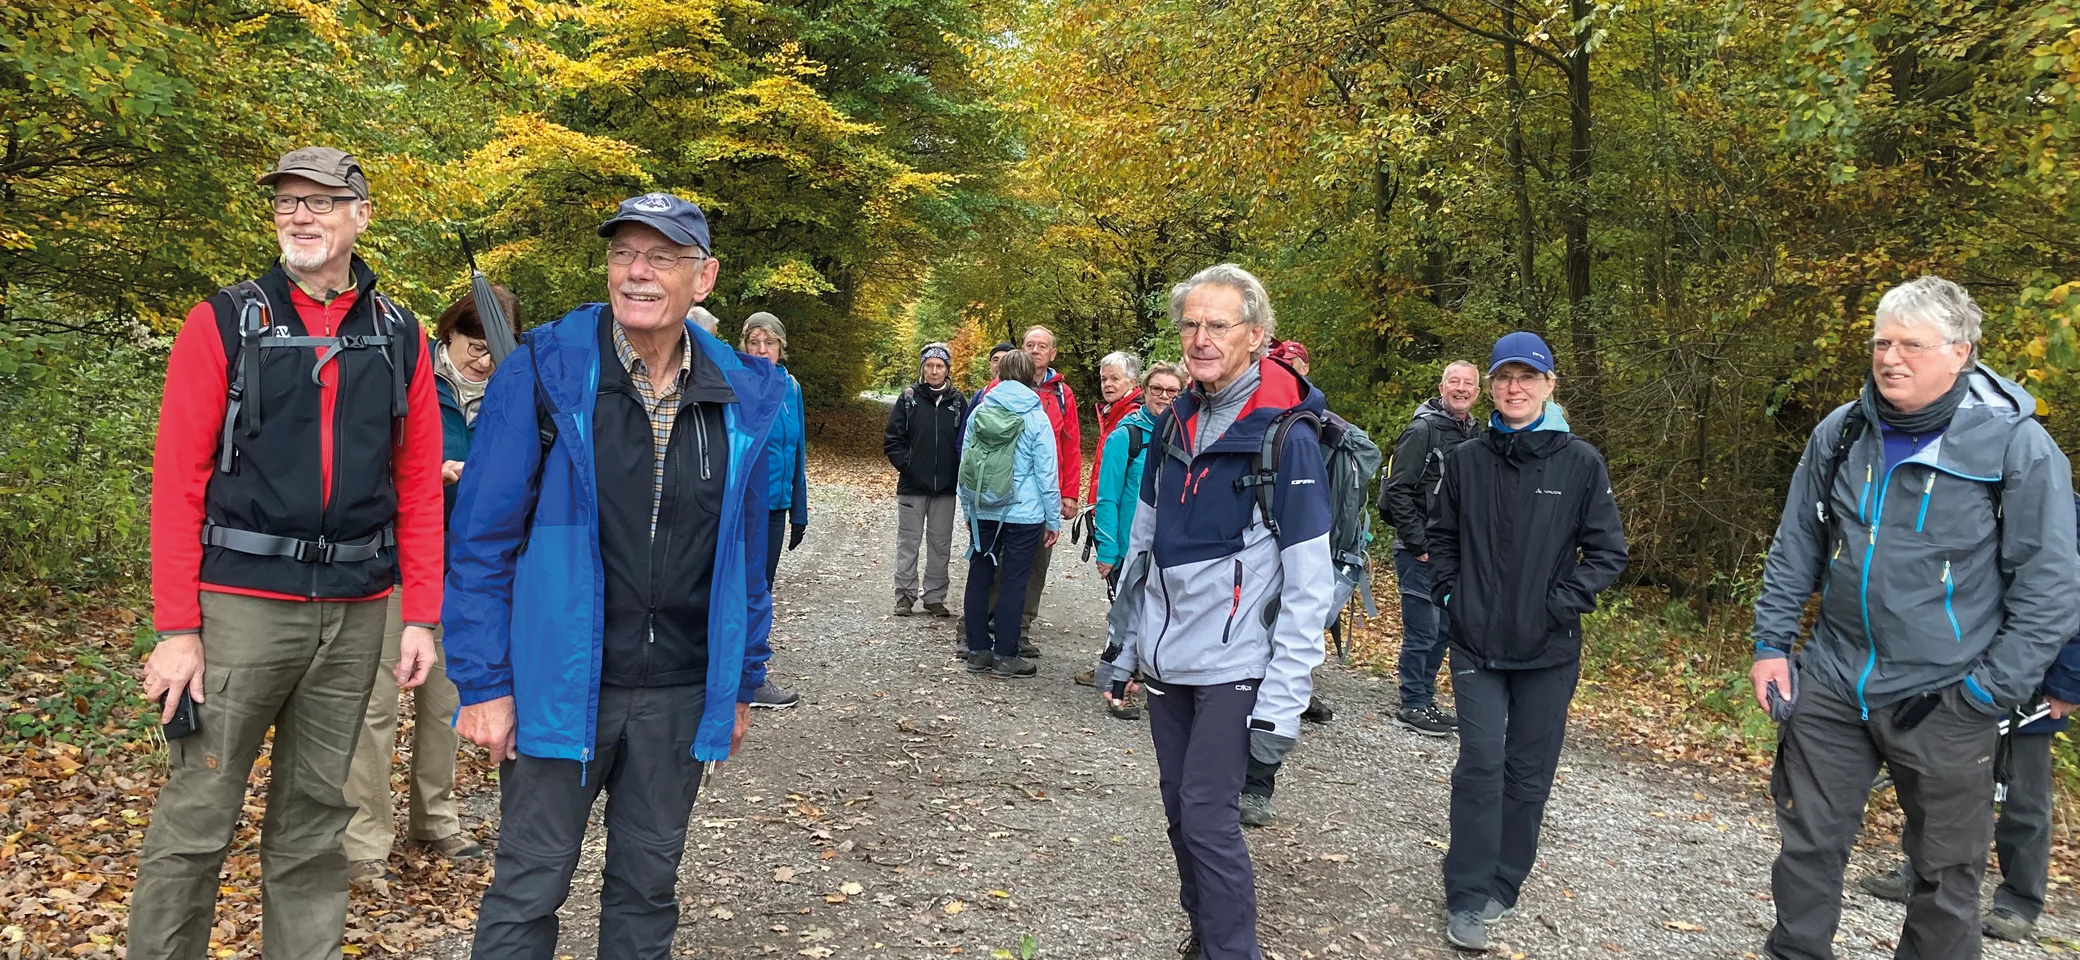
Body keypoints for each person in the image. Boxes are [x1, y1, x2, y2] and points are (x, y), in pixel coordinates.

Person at [443, 192, 786, 959]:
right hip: (559, 685)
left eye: (660, 257)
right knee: (530, 884)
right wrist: (484, 683)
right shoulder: (546, 371)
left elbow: (746, 561)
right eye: (623, 255)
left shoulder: (744, 395)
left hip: (678, 691)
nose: (637, 273)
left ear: (703, 279)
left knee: (647, 888)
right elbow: (481, 541)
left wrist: (741, 681)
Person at [133, 146, 444, 959]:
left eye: (320, 201)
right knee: (196, 822)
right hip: (238, 609)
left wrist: (421, 615)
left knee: (315, 827)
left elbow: (417, 484)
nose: (299, 216)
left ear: (360, 215)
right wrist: (177, 628)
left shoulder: (400, 335)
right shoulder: (226, 320)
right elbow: (178, 480)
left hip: (356, 611)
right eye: (286, 202)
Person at [1750, 276, 2079, 960]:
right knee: (1807, 846)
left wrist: (1989, 692)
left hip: (1947, 695)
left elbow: (2051, 588)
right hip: (1837, 680)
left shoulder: (2018, 449)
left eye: (1911, 345)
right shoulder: (1841, 433)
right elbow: (1798, 544)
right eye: (1881, 342)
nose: (1890, 358)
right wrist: (1772, 642)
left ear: (1961, 353)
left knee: (1946, 876)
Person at [1103, 263, 1336, 960]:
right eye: (1190, 324)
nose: (1201, 339)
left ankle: (1234, 950)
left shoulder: (1285, 437)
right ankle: (1206, 937)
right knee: (1181, 815)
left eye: (1218, 325)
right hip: (1169, 660)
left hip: (1239, 665)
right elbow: (1142, 548)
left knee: (1207, 817)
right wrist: (1123, 646)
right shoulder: (1172, 421)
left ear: (1255, 337)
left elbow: (1308, 583)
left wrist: (1284, 700)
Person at [1429, 331, 1628, 952]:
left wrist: (1558, 605)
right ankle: (1465, 892)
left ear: (1548, 386)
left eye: (1527, 377)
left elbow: (1607, 552)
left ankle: (1505, 881)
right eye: (1504, 376)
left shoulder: (1580, 463)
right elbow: (1439, 538)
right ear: (1491, 385)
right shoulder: (1466, 461)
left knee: (1527, 770)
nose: (1514, 387)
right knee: (1482, 764)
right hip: (1476, 644)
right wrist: (1451, 596)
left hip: (1548, 648)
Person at [343, 286, 520, 889]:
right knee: (377, 707)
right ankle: (364, 841)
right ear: (447, 337)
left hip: (467, 576)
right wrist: (429, 475)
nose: (481, 360)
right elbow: (363, 466)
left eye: (492, 349)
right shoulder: (411, 382)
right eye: (472, 346)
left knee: (447, 702)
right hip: (395, 566)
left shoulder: (510, 398)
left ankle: (435, 819)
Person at [1857, 564, 2080, 942]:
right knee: (1939, 785)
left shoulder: (2063, 521)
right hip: (1958, 679)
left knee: (2021, 799)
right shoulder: (1972, 508)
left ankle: (2019, 901)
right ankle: (1922, 871)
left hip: (2030, 685)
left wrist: (2068, 683)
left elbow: (2070, 603)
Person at [1378, 360, 1482, 737]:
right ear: (1441, 388)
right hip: (1418, 549)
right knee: (1422, 630)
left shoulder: (1476, 434)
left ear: (1477, 392)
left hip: (1454, 553)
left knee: (1442, 631)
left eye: (1468, 383)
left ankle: (1426, 699)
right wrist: (1420, 542)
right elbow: (1398, 490)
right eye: (1453, 381)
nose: (1460, 388)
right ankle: (1412, 703)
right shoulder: (1422, 430)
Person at [1077, 361, 1185, 717]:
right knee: (1126, 619)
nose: (1165, 397)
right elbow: (1106, 497)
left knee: (1157, 617)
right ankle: (1113, 683)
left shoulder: (1185, 435)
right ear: (1145, 391)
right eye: (1158, 390)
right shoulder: (1127, 436)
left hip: (1169, 547)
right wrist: (1107, 550)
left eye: (1173, 391)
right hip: (1129, 547)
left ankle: (1139, 680)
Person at [958, 348, 1061, 679]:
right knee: (1014, 582)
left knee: (979, 574)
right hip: (1024, 514)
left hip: (983, 508)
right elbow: (1047, 474)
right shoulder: (1036, 416)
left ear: (999, 375)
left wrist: (967, 508)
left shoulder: (980, 412)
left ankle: (976, 650)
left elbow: (966, 465)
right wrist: (1053, 518)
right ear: (1033, 376)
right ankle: (1005, 654)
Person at [1000, 325, 1081, 656]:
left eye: (1042, 346)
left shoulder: (1062, 394)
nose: (1035, 350)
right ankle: (990, 622)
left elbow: (1071, 445)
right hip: (1004, 491)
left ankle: (1021, 627)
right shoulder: (1001, 387)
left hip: (1044, 495)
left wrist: (1069, 493)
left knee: (1036, 563)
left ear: (1052, 353)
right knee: (997, 560)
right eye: (1029, 345)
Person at [739, 312, 806, 709]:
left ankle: (750, 668)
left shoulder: (791, 387)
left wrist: (800, 509)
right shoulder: (736, 380)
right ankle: (747, 677)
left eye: (770, 343)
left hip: (777, 505)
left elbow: (797, 452)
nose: (762, 351)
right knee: (744, 590)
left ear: (781, 347)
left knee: (762, 590)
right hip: (745, 506)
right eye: (754, 342)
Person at [885, 343, 966, 617]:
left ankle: (934, 596)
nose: (934, 370)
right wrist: (908, 466)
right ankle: (905, 595)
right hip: (912, 486)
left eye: (939, 366)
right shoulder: (908, 399)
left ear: (947, 369)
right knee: (908, 541)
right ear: (922, 368)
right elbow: (892, 441)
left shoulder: (958, 402)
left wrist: (956, 473)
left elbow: (966, 442)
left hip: (945, 488)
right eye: (929, 365)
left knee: (940, 543)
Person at [1083, 351, 1144, 536]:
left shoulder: (1135, 416)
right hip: (1111, 508)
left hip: (1125, 512)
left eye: (1114, 378)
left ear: (1132, 382)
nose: (1107, 384)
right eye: (1103, 379)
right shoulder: (1112, 412)